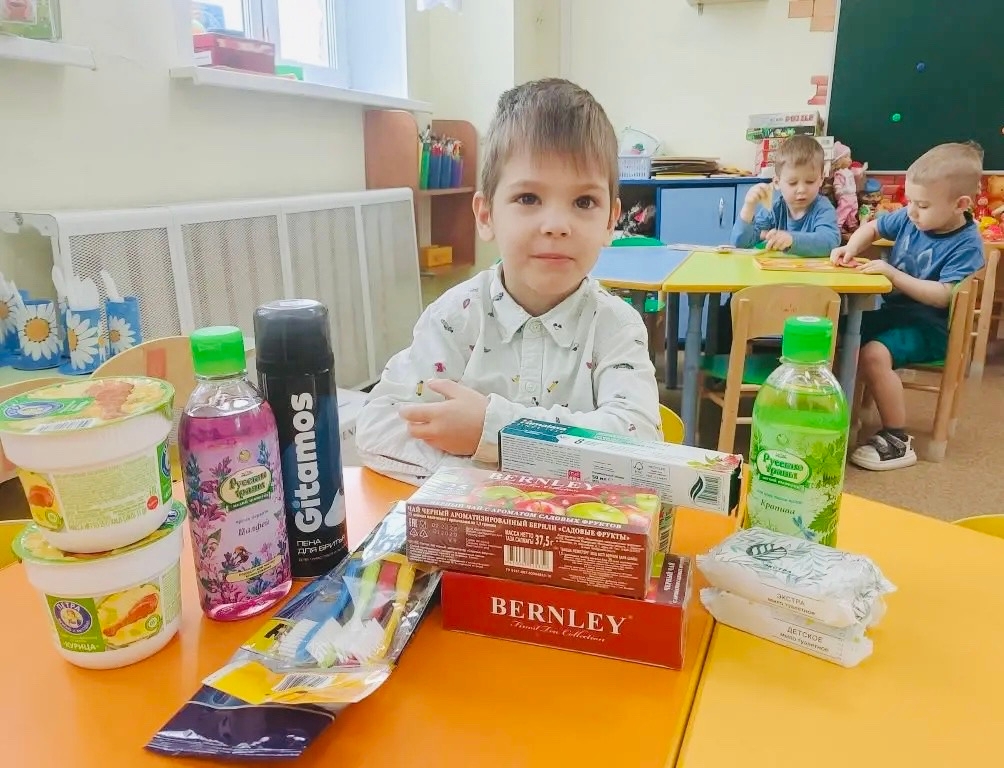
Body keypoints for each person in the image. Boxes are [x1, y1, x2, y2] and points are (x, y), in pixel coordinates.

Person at [356, 78, 662, 484]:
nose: (556, 225)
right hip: (470, 522)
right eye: (528, 198)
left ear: (610, 220)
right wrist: (492, 476)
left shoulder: (616, 327)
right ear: (486, 215)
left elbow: (639, 442)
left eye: (584, 201)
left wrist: (495, 435)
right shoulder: (456, 316)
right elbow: (380, 423)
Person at [831, 142, 985, 470]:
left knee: (873, 354)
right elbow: (873, 227)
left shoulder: (967, 244)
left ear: (960, 204)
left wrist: (892, 274)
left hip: (930, 327)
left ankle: (897, 438)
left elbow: (943, 295)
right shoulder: (910, 217)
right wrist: (850, 247)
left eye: (922, 205)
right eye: (910, 202)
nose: (912, 211)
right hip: (894, 315)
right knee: (835, 332)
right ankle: (837, 412)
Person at [732, 134, 840, 256]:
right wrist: (748, 207)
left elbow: (830, 242)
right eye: (792, 183)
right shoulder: (774, 209)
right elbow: (740, 244)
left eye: (810, 181)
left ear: (821, 179)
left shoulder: (823, 208)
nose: (801, 189)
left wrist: (791, 240)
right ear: (777, 183)